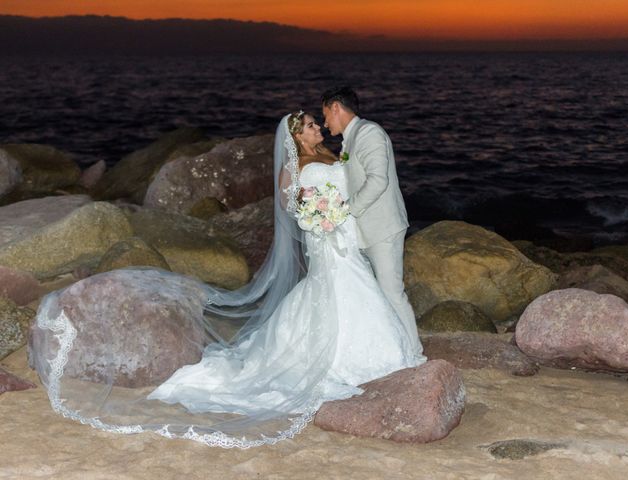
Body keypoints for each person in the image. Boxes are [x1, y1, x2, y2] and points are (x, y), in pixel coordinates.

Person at [32, 111, 425, 449]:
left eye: (315, 123)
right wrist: (321, 218)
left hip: (345, 239)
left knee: (359, 292)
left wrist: (336, 212)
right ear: (296, 136)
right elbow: (295, 209)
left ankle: (392, 358)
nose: (318, 128)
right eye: (309, 125)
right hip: (329, 242)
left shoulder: (329, 153)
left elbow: (348, 187)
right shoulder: (295, 169)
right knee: (341, 293)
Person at [321, 86, 423, 356]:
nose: (324, 123)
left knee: (392, 292)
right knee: (377, 295)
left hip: (383, 227)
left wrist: (346, 210)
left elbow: (378, 181)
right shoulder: (350, 140)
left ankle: (414, 352)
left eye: (325, 116)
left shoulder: (369, 133)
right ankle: (392, 349)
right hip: (364, 230)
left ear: (336, 108)